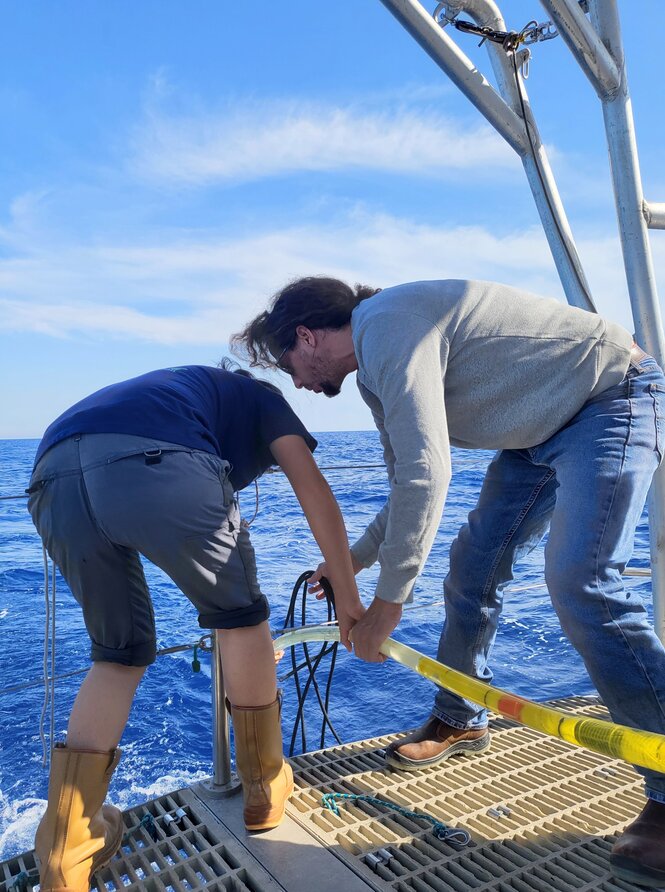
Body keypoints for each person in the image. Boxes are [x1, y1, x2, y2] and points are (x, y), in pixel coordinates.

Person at [234, 275, 665, 888]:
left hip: (608, 398)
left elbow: (427, 476)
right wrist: (352, 560)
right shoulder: (375, 374)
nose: (298, 382)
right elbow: (405, 485)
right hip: (536, 434)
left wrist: (388, 604)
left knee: (582, 583)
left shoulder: (385, 325)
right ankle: (461, 717)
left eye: (290, 365)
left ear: (306, 335)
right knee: (470, 574)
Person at [27, 361, 364, 892]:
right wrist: (348, 592)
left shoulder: (181, 388)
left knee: (117, 653)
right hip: (156, 459)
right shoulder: (261, 398)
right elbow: (312, 488)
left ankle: (65, 851)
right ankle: (264, 790)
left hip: (50, 473)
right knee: (240, 619)